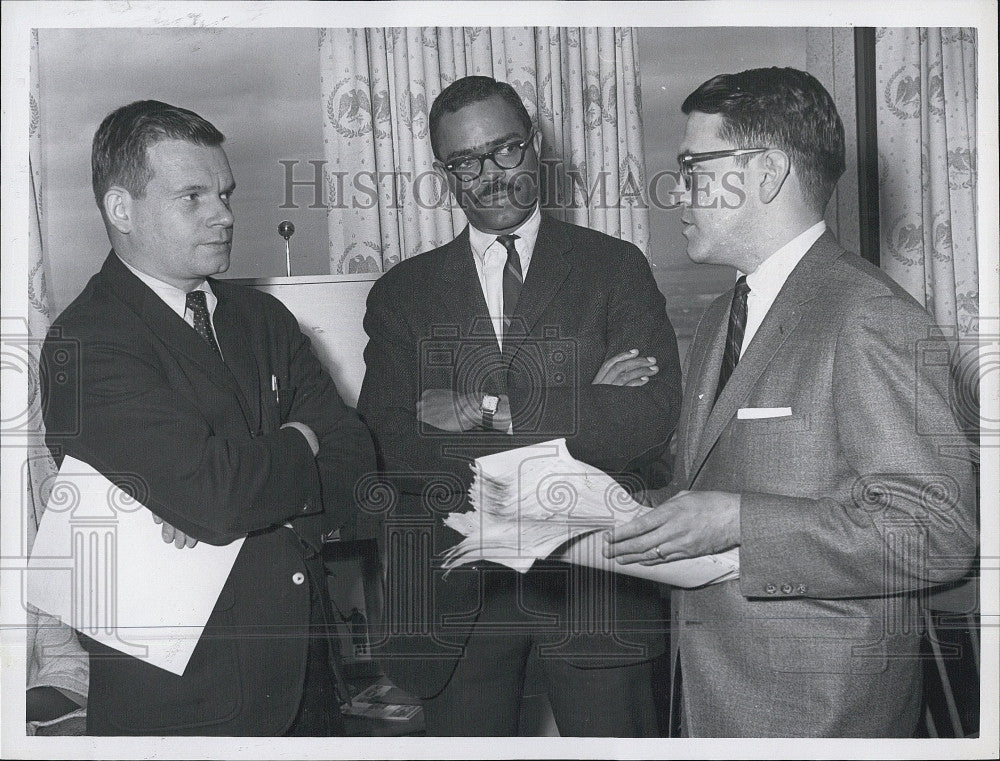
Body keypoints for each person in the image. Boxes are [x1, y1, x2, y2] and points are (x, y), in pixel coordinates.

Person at [604, 67, 978, 737]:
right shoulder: (725, 313)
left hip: (817, 717)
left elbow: (937, 535)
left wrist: (740, 520)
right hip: (714, 699)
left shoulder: (867, 316)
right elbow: (716, 485)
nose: (676, 192)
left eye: (693, 167)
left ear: (768, 172)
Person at [357, 75, 682, 736]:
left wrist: (482, 406)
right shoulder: (402, 294)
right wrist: (585, 402)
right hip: (457, 600)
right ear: (445, 172)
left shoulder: (615, 267)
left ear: (535, 148)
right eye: (465, 162)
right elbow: (391, 443)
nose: (490, 175)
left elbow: (648, 418)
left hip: (597, 587)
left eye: (505, 150)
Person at [41, 100, 376, 735]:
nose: (223, 215)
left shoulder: (265, 319)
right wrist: (300, 441)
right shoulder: (86, 342)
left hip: (307, 688)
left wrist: (237, 487)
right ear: (122, 210)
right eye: (192, 196)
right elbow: (216, 495)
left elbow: (355, 464)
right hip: (180, 705)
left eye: (223, 193)